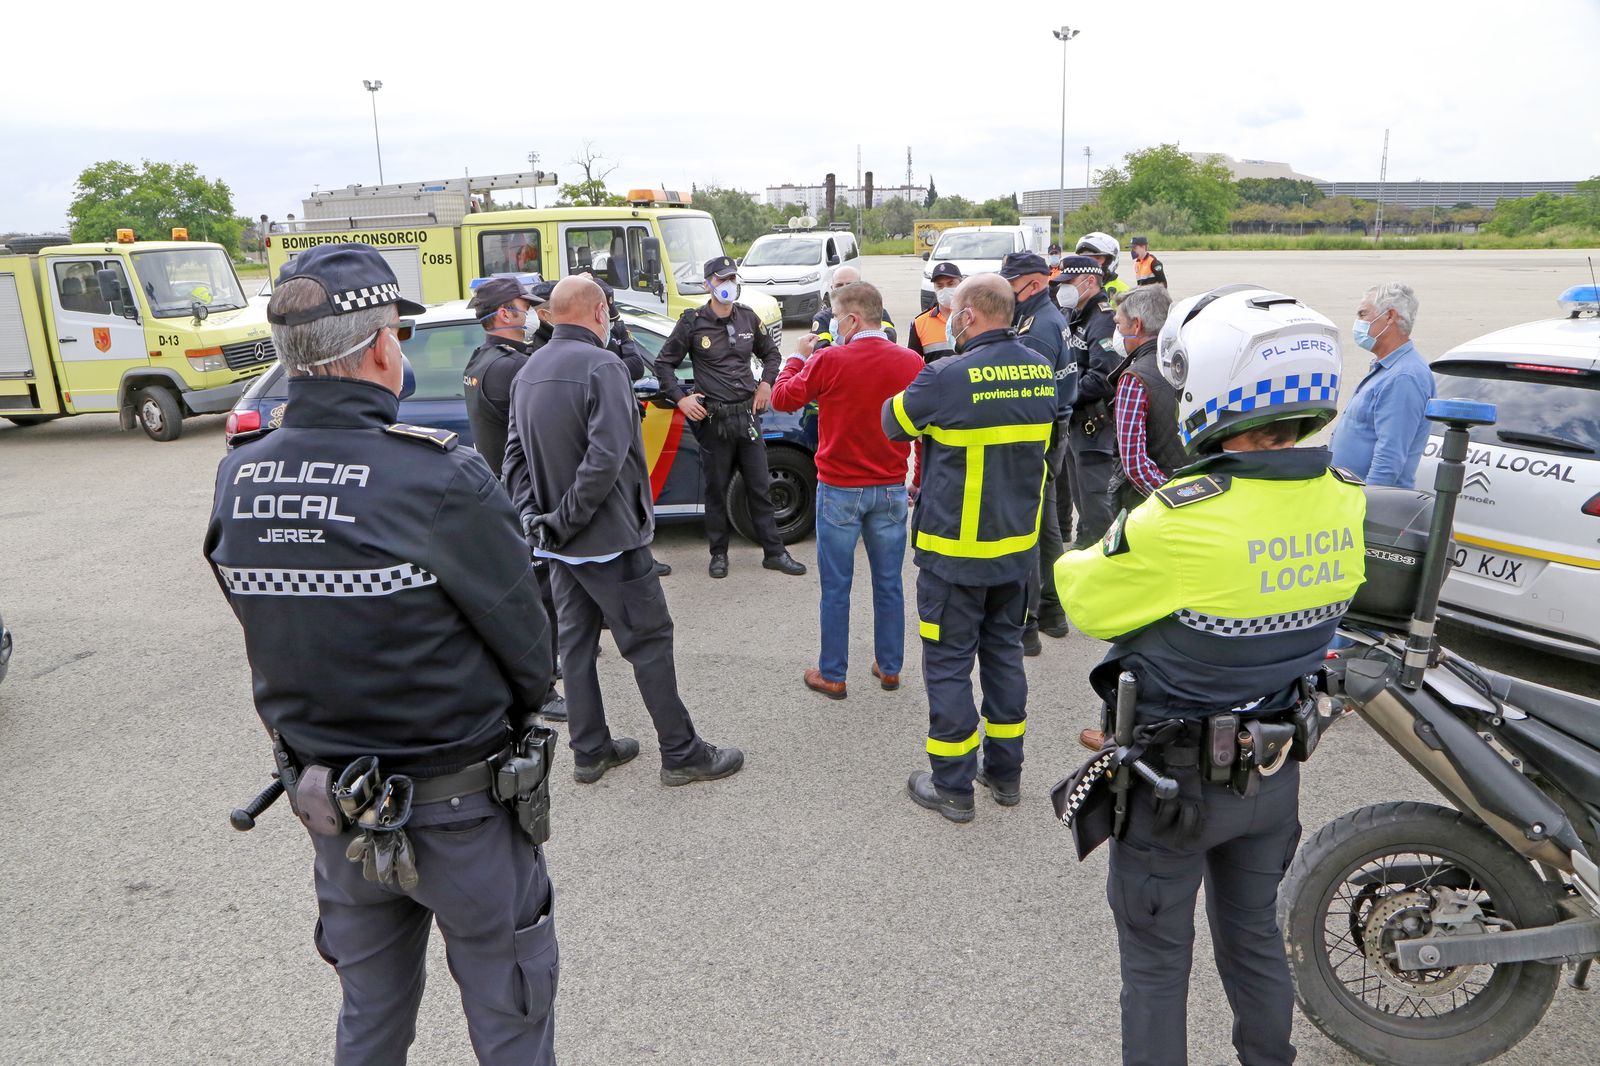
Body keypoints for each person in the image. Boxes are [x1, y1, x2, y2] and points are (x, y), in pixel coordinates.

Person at [204, 243, 561, 1065]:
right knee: (511, 1019)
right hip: (461, 811)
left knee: (368, 1023)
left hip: (332, 804)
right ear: (376, 349)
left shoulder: (240, 476)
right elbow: (530, 653)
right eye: (397, 334)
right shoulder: (438, 477)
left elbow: (259, 614)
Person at [1055, 285, 1365, 1066]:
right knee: (1256, 940)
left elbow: (1084, 597)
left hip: (1174, 787)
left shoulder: (1183, 515)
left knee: (1156, 968)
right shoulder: (1346, 501)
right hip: (1274, 772)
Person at [502, 275, 745, 787]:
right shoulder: (603, 366)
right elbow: (606, 457)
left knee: (577, 646)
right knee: (650, 643)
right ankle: (681, 753)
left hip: (559, 547)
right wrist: (562, 522)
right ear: (596, 313)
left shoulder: (528, 370)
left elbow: (515, 459)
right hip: (608, 540)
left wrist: (537, 523)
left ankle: (590, 750)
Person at [882, 274, 1057, 822]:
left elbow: (893, 423)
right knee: (1004, 656)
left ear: (972, 315)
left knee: (950, 665)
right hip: (1015, 553)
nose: (951, 318)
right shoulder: (1040, 370)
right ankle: (1005, 775)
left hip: (952, 556)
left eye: (955, 311)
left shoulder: (945, 376)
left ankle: (952, 786)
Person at [771, 280, 923, 699]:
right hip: (890, 488)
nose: (834, 325)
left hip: (840, 488)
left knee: (837, 586)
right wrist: (917, 477)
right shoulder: (910, 361)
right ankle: (890, 666)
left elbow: (783, 399)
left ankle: (833, 673)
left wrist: (797, 359)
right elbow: (926, 427)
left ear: (853, 318)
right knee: (889, 582)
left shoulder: (829, 359)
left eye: (837, 317)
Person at [654, 257, 807, 579]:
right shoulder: (693, 322)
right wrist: (680, 399)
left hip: (747, 417)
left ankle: (774, 552)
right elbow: (663, 364)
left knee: (760, 487)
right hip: (714, 421)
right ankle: (719, 554)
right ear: (708, 283)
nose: (729, 285)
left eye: (733, 278)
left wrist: (766, 382)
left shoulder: (747, 318)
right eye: (722, 279)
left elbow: (772, 353)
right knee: (716, 490)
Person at [462, 275, 569, 721]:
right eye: (525, 307)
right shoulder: (508, 367)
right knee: (538, 594)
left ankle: (550, 664)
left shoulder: (484, 358)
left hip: (501, 492)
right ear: (505, 313)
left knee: (535, 589)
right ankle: (541, 688)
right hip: (521, 495)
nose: (531, 313)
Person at [999, 250, 1076, 650]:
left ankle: (1030, 617)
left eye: (1011, 285)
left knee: (1029, 524)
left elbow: (1030, 393)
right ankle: (1050, 608)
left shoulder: (1039, 327)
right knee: (1044, 523)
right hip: (1053, 427)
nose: (1008, 293)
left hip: (1040, 431)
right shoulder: (1040, 317)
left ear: (1035, 282)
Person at [1330, 281, 1436, 488]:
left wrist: (1368, 506)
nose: (1357, 323)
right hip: (1348, 500)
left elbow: (1389, 457)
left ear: (1389, 316)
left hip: (1367, 506)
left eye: (1362, 315)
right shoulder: (1387, 369)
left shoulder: (1404, 377)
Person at [1056, 255, 1121, 549]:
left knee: (1097, 506)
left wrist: (1062, 393)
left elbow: (1103, 376)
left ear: (1090, 281)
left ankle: (1110, 565)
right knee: (1083, 501)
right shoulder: (1075, 314)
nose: (1063, 289)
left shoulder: (1102, 318)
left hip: (1094, 428)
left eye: (1069, 283)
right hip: (1076, 424)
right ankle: (1086, 550)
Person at [1110, 284, 1186, 513]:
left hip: (1151, 508)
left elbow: (1135, 466)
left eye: (1118, 324)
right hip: (1199, 492)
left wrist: (1172, 502)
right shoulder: (1190, 363)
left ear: (1137, 325)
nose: (1118, 332)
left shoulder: (1135, 379)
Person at [811, 264, 897, 348]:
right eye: (839, 285)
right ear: (832, 288)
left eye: (849, 285)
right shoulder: (823, 318)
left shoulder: (876, 311)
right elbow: (820, 346)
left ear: (860, 286)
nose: (844, 289)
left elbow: (890, 336)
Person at [907, 262, 963, 362]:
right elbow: (912, 363)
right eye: (939, 285)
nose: (945, 289)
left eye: (951, 284)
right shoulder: (920, 323)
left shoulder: (974, 318)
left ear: (961, 284)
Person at [1076, 231, 1130, 302]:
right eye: (1084, 259)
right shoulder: (1075, 287)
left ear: (1110, 261)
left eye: (1097, 258)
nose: (1088, 263)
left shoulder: (1124, 292)